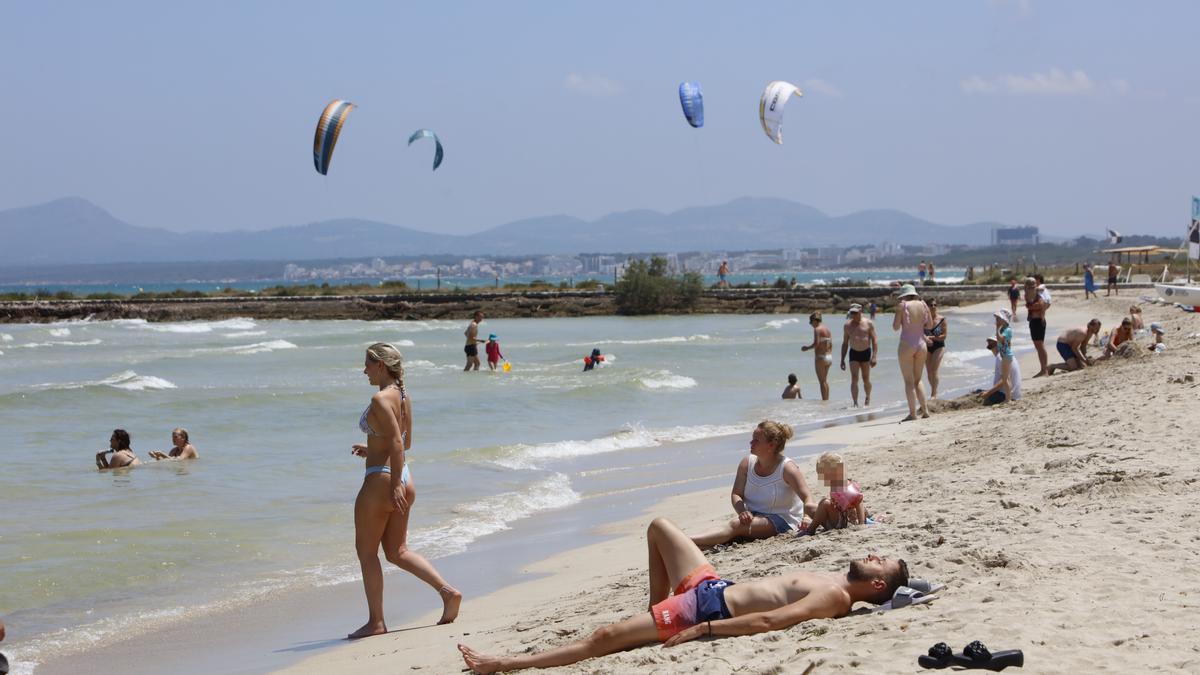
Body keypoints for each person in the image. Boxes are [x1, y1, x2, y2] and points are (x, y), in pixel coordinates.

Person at [457, 518, 909, 674]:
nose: (872, 554)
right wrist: (908, 588)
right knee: (659, 527)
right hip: (716, 586)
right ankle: (652, 612)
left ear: (873, 586)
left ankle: (504, 664)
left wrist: (704, 628)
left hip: (704, 607)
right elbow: (908, 591)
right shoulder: (838, 580)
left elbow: (770, 623)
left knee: (603, 637)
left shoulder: (835, 599)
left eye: (879, 561)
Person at [349, 343, 460, 639]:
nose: (364, 370)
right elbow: (403, 442)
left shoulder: (380, 398)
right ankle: (447, 592)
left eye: (368, 365)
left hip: (383, 481)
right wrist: (370, 448)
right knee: (397, 552)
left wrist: (393, 480)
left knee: (367, 552)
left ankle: (376, 622)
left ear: (381, 366)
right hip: (403, 478)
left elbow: (397, 444)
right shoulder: (403, 396)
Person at [690, 421, 816, 548]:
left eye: (756, 440)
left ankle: (686, 541)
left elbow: (807, 498)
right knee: (728, 529)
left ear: (771, 445)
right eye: (752, 439)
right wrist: (742, 511)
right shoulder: (746, 463)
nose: (751, 443)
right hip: (754, 516)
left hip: (784, 520)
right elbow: (736, 494)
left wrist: (806, 517)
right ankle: (686, 543)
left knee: (735, 526)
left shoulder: (787, 468)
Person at [892, 284, 932, 421]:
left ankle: (913, 413)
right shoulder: (923, 304)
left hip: (906, 345)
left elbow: (896, 327)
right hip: (921, 344)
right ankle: (925, 410)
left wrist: (899, 314)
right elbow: (930, 325)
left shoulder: (902, 306)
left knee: (909, 382)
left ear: (904, 295)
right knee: (918, 379)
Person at [806, 453, 866, 535]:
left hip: (844, 522)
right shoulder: (839, 485)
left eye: (822, 474)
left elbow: (859, 502)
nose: (820, 478)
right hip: (841, 520)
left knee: (824, 503)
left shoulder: (844, 487)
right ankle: (812, 525)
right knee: (810, 507)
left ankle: (811, 529)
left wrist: (861, 524)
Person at [839, 304, 877, 407]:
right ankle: (855, 403)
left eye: (855, 312)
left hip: (866, 352)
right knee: (854, 378)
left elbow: (874, 340)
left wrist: (874, 356)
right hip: (854, 353)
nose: (853, 315)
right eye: (852, 312)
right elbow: (845, 343)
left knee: (866, 378)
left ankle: (868, 396)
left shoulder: (868, 323)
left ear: (860, 311)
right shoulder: (847, 325)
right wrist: (842, 359)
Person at [979, 335, 1022, 405]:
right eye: (989, 345)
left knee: (978, 395)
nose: (991, 347)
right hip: (1015, 394)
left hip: (1006, 395)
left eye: (992, 344)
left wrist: (988, 393)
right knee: (980, 392)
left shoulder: (1000, 357)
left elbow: (1004, 380)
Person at [800, 312, 833, 401]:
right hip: (829, 357)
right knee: (825, 381)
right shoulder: (827, 329)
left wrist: (807, 348)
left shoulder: (817, 329)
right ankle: (827, 401)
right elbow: (830, 344)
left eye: (811, 322)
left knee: (822, 382)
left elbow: (816, 344)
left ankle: (824, 402)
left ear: (814, 320)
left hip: (821, 357)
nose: (811, 325)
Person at [1024, 278, 1050, 378]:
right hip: (1035, 321)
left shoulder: (1037, 293)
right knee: (1039, 346)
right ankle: (1043, 369)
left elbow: (1040, 305)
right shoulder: (1031, 293)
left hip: (1038, 321)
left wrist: (1032, 307)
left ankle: (1044, 370)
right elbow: (1036, 305)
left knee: (1040, 346)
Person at [924, 298, 947, 399]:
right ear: (927, 307)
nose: (933, 307)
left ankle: (934, 393)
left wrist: (931, 337)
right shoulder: (923, 320)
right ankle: (933, 390)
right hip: (926, 347)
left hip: (939, 346)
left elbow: (944, 336)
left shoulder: (942, 319)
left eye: (935, 305)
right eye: (930, 305)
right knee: (929, 371)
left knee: (934, 370)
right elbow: (919, 333)